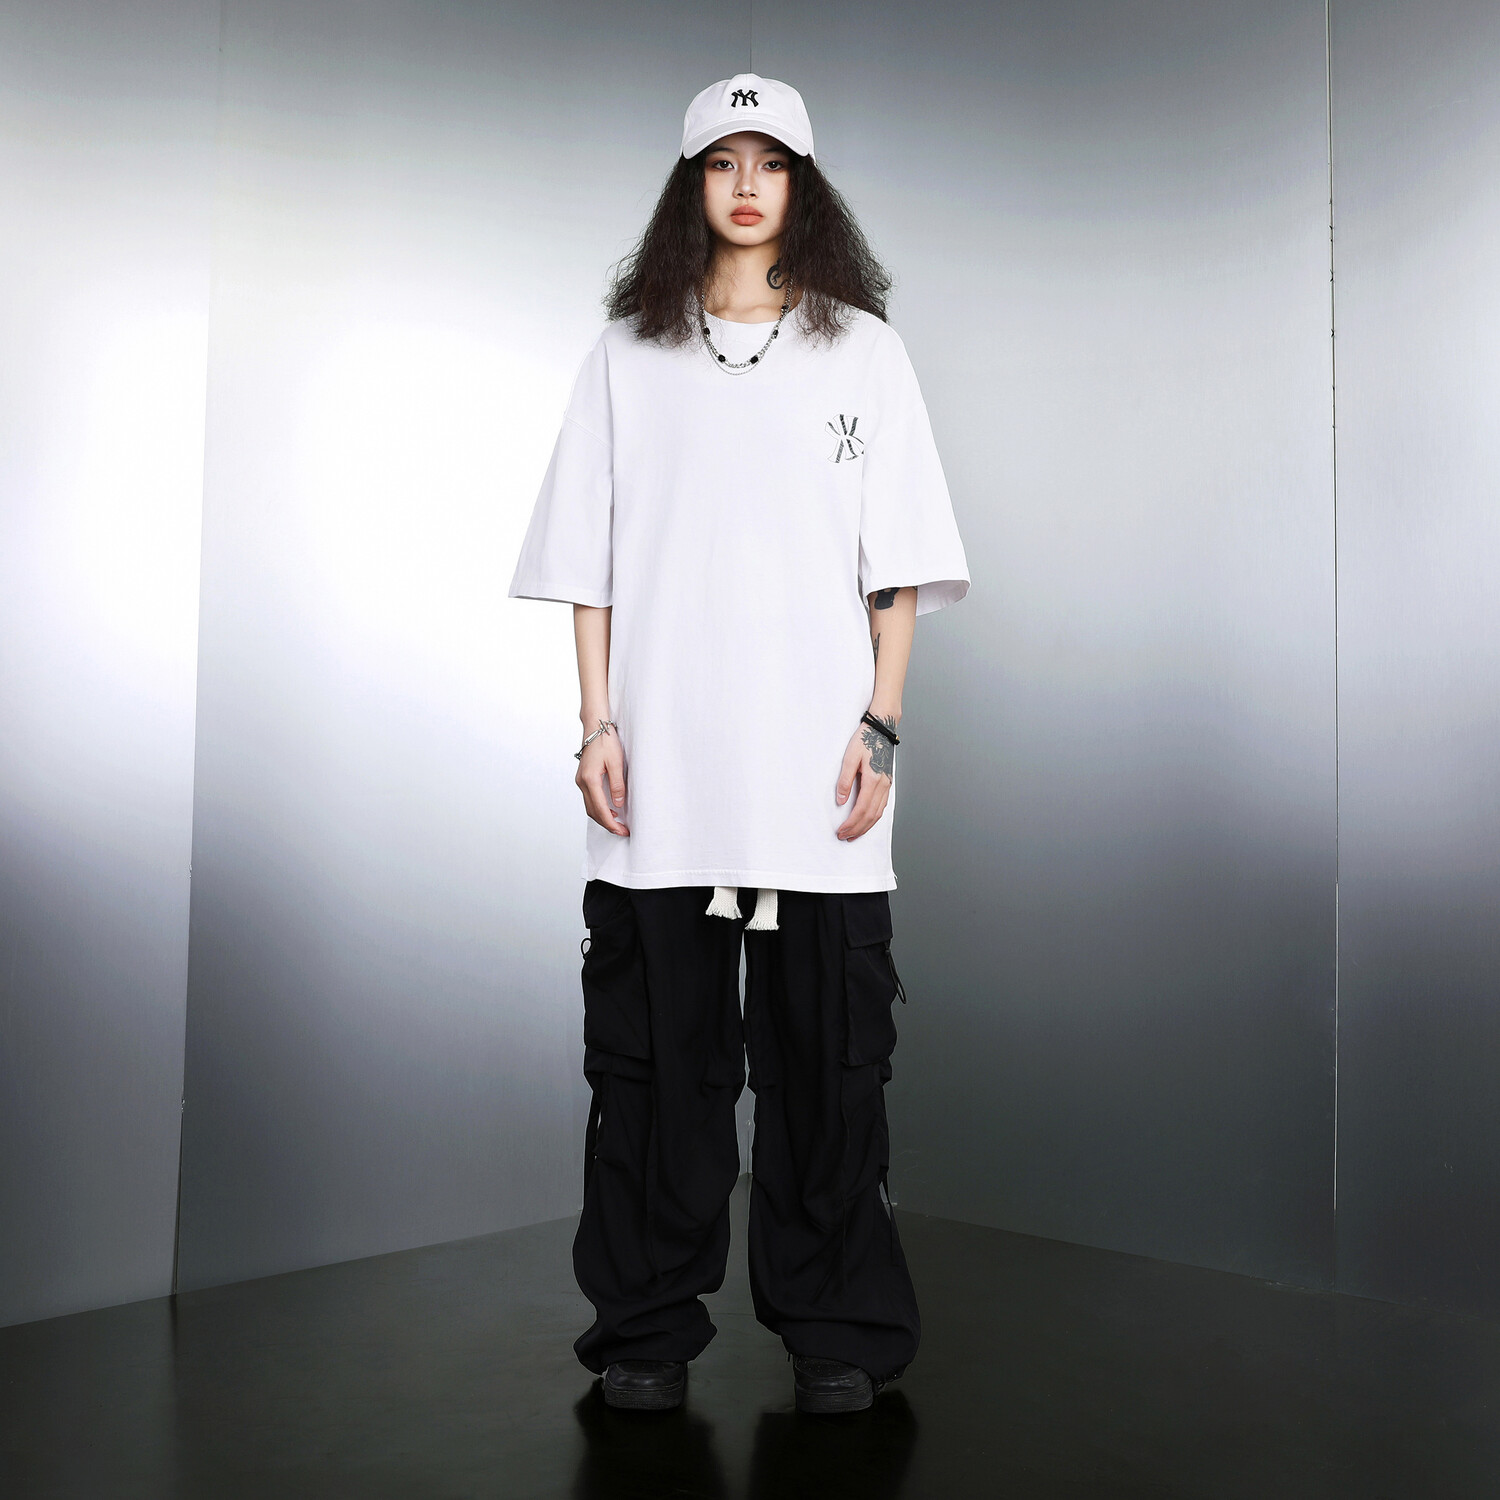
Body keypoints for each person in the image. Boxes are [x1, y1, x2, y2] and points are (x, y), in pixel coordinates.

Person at [508, 72, 970, 1415]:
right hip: (661, 777)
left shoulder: (863, 353)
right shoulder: (625, 356)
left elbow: (897, 567)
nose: (749, 183)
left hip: (819, 778)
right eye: (724, 161)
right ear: (691, 187)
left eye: (772, 162)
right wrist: (595, 722)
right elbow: (589, 563)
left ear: (804, 188)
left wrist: (883, 723)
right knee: (654, 1069)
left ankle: (838, 1332)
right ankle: (645, 1331)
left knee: (830, 1071)